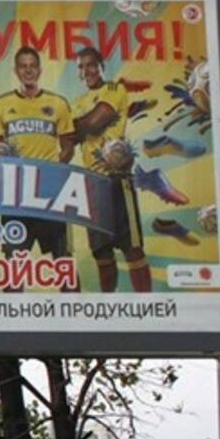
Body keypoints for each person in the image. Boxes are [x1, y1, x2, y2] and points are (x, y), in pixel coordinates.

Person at [0, 46, 78, 291]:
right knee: (13, 268)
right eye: (23, 66)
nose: (28, 71)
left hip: (49, 197)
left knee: (64, 264)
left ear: (39, 69)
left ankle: (78, 321)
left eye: (32, 66)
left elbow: (68, 146)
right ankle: (11, 326)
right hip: (15, 197)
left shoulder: (57, 104)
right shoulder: (0, 105)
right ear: (16, 71)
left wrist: (54, 171)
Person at [71, 46, 152, 292]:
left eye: (92, 64)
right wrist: (78, 127)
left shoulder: (115, 89)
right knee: (102, 252)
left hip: (117, 178)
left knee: (132, 248)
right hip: (92, 180)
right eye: (82, 67)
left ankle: (148, 308)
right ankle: (108, 310)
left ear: (101, 66)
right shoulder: (78, 102)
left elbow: (95, 122)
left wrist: (79, 126)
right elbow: (70, 135)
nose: (88, 70)